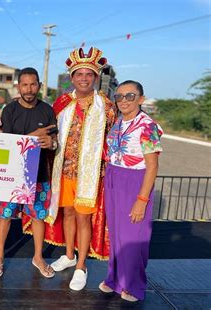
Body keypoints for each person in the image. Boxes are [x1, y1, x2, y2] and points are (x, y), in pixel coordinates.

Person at [46, 47, 115, 291]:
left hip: (89, 174)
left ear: (95, 77)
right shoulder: (63, 103)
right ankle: (69, 255)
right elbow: (50, 131)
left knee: (84, 218)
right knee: (68, 214)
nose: (84, 78)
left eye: (88, 74)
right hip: (63, 170)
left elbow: (113, 140)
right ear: (72, 77)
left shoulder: (106, 106)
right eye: (79, 74)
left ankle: (81, 266)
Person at [0, 67, 57, 278]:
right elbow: (7, 145)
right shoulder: (9, 110)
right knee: (5, 216)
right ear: (18, 86)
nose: (29, 89)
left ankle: (38, 257)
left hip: (38, 176)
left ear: (39, 85)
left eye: (33, 84)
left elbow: (53, 141)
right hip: (11, 176)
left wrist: (51, 143)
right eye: (25, 85)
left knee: (38, 217)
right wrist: (35, 135)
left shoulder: (47, 110)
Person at [99, 80, 162, 302]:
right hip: (114, 178)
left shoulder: (147, 126)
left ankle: (133, 285)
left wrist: (142, 199)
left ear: (141, 99)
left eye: (130, 96)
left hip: (134, 181)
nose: (124, 101)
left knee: (134, 236)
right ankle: (114, 279)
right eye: (119, 96)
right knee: (116, 234)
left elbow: (152, 165)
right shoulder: (118, 122)